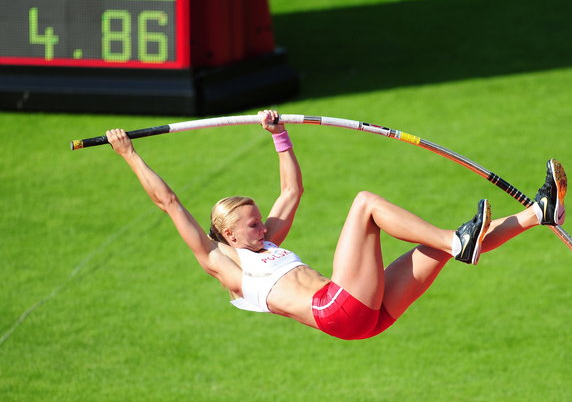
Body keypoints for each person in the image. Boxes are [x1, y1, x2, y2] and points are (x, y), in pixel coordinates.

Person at [106, 110, 567, 340]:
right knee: (365, 203)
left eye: (260, 223)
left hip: (365, 316)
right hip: (337, 308)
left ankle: (536, 212)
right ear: (228, 234)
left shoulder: (266, 244)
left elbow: (291, 193)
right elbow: (168, 202)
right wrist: (129, 154)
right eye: (252, 226)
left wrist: (278, 135)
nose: (262, 228)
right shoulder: (226, 265)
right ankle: (456, 239)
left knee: (436, 251)